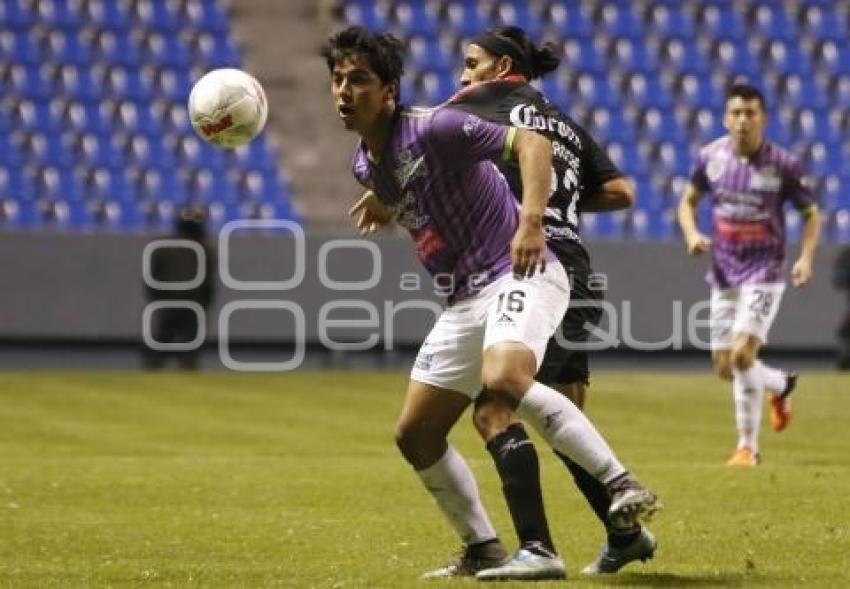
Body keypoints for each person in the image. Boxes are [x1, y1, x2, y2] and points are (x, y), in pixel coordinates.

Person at [323, 25, 657, 581]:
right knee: (416, 434)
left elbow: (533, 142)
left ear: (389, 91)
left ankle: (620, 486)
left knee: (504, 381)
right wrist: (386, 197)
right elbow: (408, 181)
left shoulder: (438, 126)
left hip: (518, 270)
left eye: (358, 79)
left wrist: (530, 223)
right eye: (337, 79)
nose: (343, 91)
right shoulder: (366, 165)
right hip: (463, 300)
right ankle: (483, 547)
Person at [443, 26, 657, 578]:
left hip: (533, 267)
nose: (464, 74)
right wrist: (560, 194)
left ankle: (539, 548)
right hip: (578, 271)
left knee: (494, 410)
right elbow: (622, 192)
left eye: (472, 62)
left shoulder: (482, 102)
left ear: (501, 66)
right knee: (563, 422)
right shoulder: (562, 120)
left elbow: (422, 131)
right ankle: (624, 535)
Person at [677, 83, 821, 467]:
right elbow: (687, 202)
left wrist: (805, 258)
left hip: (765, 270)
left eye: (750, 113)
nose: (742, 120)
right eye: (736, 113)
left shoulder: (783, 164)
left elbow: (811, 215)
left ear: (763, 118)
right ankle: (780, 383)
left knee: (742, 356)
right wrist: (692, 234)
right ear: (726, 118)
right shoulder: (710, 157)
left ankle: (748, 448)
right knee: (724, 366)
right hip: (723, 271)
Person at [142, 205, 215, 370]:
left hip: (170, 303)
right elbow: (209, 283)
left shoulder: (163, 247)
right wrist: (204, 304)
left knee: (160, 346)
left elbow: (152, 279)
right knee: (187, 348)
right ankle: (184, 367)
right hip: (191, 304)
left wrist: (157, 300)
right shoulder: (204, 249)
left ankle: (154, 369)